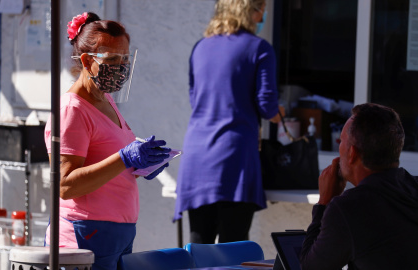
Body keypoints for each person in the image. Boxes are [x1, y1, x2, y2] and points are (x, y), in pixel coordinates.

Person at [44, 12, 171, 270]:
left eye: (125, 58)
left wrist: (142, 165)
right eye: (112, 59)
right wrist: (124, 158)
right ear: (87, 61)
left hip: (117, 232)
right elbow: (65, 185)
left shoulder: (106, 100)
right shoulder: (72, 109)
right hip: (85, 234)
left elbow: (107, 167)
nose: (121, 66)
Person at [173, 0, 284, 244]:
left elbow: (197, 99)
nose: (263, 14)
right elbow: (266, 106)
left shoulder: (200, 47)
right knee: (232, 250)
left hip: (198, 156)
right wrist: (279, 112)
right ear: (250, 10)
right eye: (262, 8)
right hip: (234, 156)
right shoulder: (259, 48)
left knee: (198, 247)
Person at [299, 103, 418, 270]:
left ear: (352, 154)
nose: (339, 148)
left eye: (341, 141)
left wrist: (324, 202)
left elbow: (310, 268)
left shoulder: (350, 208)